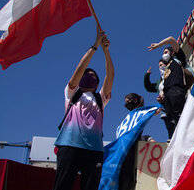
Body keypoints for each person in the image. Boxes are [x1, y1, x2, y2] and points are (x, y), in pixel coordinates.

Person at [53, 28, 114, 190]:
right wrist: (95, 45)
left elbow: (110, 76)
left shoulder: (100, 99)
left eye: (94, 75)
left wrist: (106, 51)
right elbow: (80, 69)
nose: (89, 75)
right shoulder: (71, 93)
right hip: (69, 145)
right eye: (87, 74)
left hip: (94, 149)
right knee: (62, 186)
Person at [148, 36, 189, 139]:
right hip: (167, 95)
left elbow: (171, 39)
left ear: (173, 52)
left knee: (180, 119)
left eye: (166, 52)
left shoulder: (178, 59)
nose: (164, 54)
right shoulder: (166, 69)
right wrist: (161, 99)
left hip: (177, 91)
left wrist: (158, 45)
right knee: (171, 122)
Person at [119, 93, 155, 190]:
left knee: (128, 178)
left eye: (127, 102)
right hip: (124, 151)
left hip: (132, 151)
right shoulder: (128, 118)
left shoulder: (139, 114)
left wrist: (155, 109)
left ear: (135, 101)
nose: (126, 104)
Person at [144, 59, 172, 139]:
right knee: (169, 127)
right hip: (164, 108)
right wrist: (147, 75)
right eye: (159, 66)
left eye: (162, 65)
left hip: (174, 105)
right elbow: (148, 87)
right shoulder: (159, 82)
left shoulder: (172, 76)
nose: (160, 67)